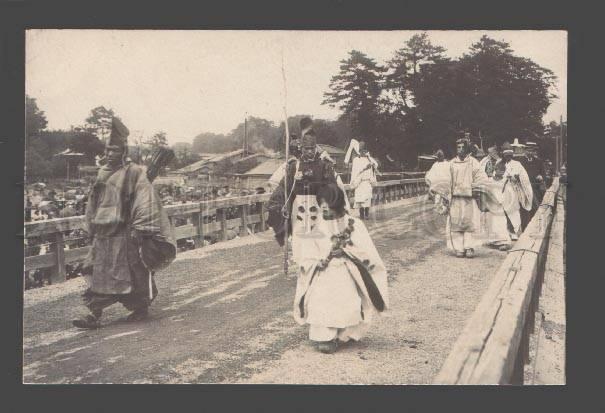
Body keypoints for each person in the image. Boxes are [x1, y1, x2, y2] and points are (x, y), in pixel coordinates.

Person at [72, 118, 176, 329]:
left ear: (123, 151)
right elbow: (94, 201)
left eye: (114, 150)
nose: (109, 154)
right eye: (107, 150)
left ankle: (140, 307)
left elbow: (145, 199)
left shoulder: (135, 172)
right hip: (104, 233)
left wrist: (140, 228)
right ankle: (93, 313)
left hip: (125, 233)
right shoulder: (102, 173)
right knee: (98, 270)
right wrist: (91, 225)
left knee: (133, 272)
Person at [292, 183, 389, 353]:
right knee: (321, 303)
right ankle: (325, 337)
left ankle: (344, 335)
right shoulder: (315, 226)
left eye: (329, 207)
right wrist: (316, 262)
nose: (325, 211)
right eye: (322, 207)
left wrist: (346, 251)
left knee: (347, 303)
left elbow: (366, 252)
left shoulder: (354, 224)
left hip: (345, 271)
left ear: (337, 205)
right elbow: (307, 252)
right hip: (324, 274)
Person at [267, 117, 338, 265]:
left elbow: (331, 186)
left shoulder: (324, 165)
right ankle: (303, 267)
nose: (310, 152)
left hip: (318, 208)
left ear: (316, 148)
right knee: (300, 241)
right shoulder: (294, 166)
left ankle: (318, 267)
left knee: (319, 240)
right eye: (307, 149)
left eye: (312, 149)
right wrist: (281, 204)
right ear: (302, 149)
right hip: (298, 210)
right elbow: (284, 188)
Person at [429, 138, 495, 258]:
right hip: (455, 198)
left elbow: (481, 178)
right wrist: (443, 192)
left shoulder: (473, 162)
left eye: (462, 147)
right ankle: (459, 248)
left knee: (470, 223)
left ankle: (469, 247)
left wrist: (475, 188)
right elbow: (446, 179)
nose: (460, 150)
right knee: (456, 224)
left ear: (466, 148)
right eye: (458, 147)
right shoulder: (452, 164)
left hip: (469, 198)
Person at [501, 142, 533, 234]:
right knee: (505, 210)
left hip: (515, 190)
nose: (508, 157)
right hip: (504, 190)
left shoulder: (517, 164)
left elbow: (524, 177)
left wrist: (517, 177)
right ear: (503, 155)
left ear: (512, 155)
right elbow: (496, 176)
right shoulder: (500, 164)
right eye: (506, 156)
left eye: (509, 156)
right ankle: (507, 231)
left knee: (515, 211)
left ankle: (517, 231)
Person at [519, 141, 546, 229]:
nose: (530, 152)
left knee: (535, 208)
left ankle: (534, 228)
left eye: (532, 151)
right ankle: (524, 228)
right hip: (524, 189)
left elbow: (544, 174)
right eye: (528, 150)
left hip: (535, 189)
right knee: (524, 209)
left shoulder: (539, 162)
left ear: (534, 151)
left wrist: (541, 176)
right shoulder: (520, 161)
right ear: (525, 151)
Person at [350, 141, 378, 220]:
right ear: (359, 151)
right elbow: (356, 171)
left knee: (367, 199)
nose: (363, 152)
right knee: (360, 200)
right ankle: (361, 214)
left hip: (367, 182)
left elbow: (376, 165)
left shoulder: (369, 159)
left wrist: (371, 161)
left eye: (365, 151)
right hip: (359, 182)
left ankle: (367, 214)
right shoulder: (356, 160)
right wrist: (365, 168)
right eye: (361, 151)